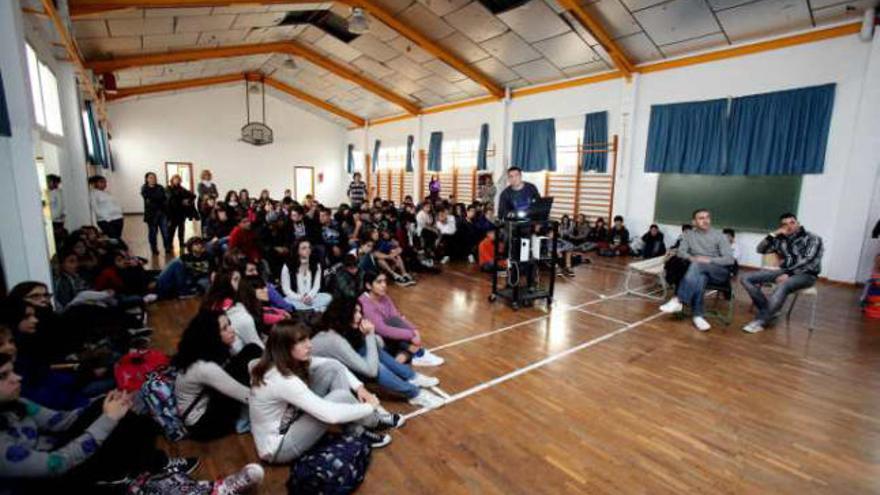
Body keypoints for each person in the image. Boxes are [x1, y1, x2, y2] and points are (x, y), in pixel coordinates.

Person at [0, 352, 201, 490]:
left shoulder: (17, 403)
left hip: (58, 452)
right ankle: (139, 471)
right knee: (114, 419)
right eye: (4, 376)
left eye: (12, 371)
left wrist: (105, 402)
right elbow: (54, 465)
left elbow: (60, 421)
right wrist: (108, 418)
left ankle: (147, 466)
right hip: (49, 481)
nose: (17, 378)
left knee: (115, 410)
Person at [249, 321, 398, 464]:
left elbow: (335, 364)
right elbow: (330, 416)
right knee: (341, 396)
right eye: (301, 341)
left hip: (291, 419)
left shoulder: (281, 361)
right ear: (284, 347)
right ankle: (373, 420)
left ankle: (355, 429)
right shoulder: (282, 379)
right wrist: (369, 407)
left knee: (332, 368)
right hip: (278, 448)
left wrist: (359, 387)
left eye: (307, 338)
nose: (309, 345)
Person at [313, 298, 444, 408]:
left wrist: (367, 336)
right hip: (322, 383)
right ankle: (415, 394)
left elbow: (379, 345)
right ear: (343, 314)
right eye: (354, 312)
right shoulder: (333, 339)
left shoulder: (341, 328)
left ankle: (412, 377)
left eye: (359, 311)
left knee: (367, 350)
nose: (359, 316)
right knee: (377, 367)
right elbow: (371, 371)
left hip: (337, 369)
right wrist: (369, 335)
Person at [173, 310, 263, 440]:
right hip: (203, 425)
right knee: (253, 386)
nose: (232, 330)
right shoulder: (204, 367)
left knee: (251, 349)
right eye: (224, 328)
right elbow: (247, 396)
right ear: (212, 335)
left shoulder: (205, 351)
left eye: (229, 324)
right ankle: (243, 421)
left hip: (207, 401)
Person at [741, 213, 823, 333]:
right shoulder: (780, 239)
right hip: (785, 270)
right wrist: (773, 234)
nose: (789, 226)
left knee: (783, 284)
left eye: (792, 223)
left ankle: (761, 321)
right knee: (746, 278)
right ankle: (770, 310)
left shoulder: (812, 238)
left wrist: (789, 274)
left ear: (798, 223)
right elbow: (760, 249)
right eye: (785, 224)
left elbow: (808, 260)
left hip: (806, 274)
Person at [659, 209, 735, 332]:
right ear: (694, 222)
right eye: (701, 218)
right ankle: (698, 316)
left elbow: (729, 260)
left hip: (718, 271)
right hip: (699, 271)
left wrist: (708, 260)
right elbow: (681, 252)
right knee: (699, 276)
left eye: (707, 217)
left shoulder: (720, 236)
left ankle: (678, 300)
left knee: (698, 266)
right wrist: (692, 258)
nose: (705, 220)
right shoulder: (689, 235)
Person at [358, 273, 444, 367]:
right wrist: (411, 334)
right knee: (393, 326)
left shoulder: (384, 297)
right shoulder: (364, 302)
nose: (384, 285)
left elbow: (397, 316)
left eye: (385, 281)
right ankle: (419, 353)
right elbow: (382, 330)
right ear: (368, 285)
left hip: (390, 340)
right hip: (375, 341)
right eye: (379, 282)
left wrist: (414, 329)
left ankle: (400, 362)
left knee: (395, 322)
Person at [281, 240, 332, 312]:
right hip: (296, 298)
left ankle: (313, 309)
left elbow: (316, 286)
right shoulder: (287, 266)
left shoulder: (316, 264)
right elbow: (286, 289)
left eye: (309, 247)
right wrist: (301, 298)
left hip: (312, 297)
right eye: (304, 248)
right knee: (285, 302)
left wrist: (310, 296)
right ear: (297, 251)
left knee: (328, 297)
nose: (308, 250)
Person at [140, 172, 171, 255]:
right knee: (153, 233)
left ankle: (167, 247)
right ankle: (154, 249)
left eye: (154, 177)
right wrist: (157, 198)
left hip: (162, 213)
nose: (153, 179)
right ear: (147, 179)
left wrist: (155, 199)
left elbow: (164, 198)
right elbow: (148, 197)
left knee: (165, 232)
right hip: (151, 215)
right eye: (151, 177)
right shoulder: (144, 188)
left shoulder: (160, 187)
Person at [167, 174, 197, 253]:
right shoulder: (168, 188)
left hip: (181, 212)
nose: (177, 181)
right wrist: (181, 200)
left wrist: (188, 201)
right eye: (175, 179)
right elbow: (171, 199)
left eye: (178, 179)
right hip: (172, 213)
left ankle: (181, 243)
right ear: (172, 180)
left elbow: (193, 195)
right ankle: (169, 245)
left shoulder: (182, 188)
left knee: (181, 229)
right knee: (171, 230)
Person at [88, 176, 124, 240]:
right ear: (94, 183)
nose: (104, 184)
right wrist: (106, 218)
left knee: (117, 238)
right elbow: (95, 208)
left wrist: (120, 212)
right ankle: (125, 249)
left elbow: (115, 204)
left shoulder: (107, 193)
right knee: (114, 238)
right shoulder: (93, 194)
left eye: (105, 182)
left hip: (118, 218)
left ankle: (119, 249)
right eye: (101, 182)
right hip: (106, 220)